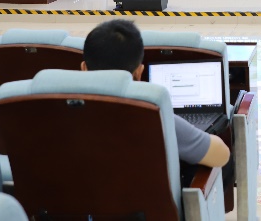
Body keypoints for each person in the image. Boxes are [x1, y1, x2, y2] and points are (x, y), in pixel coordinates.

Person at [81, 19, 231, 180]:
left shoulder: (62, 113)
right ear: (139, 72)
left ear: (84, 68)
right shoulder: (157, 117)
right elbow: (221, 155)